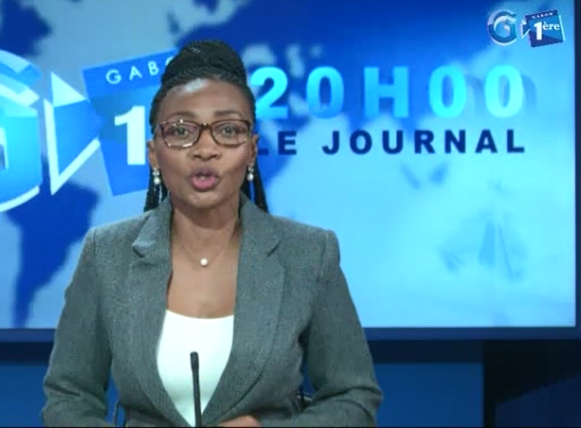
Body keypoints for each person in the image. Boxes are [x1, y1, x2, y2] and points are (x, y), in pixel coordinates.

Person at [41, 40, 383, 427]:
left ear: (251, 150)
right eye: (181, 130)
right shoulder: (106, 253)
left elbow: (353, 396)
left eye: (228, 130)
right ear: (153, 153)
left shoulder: (309, 253)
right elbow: (67, 397)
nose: (205, 149)